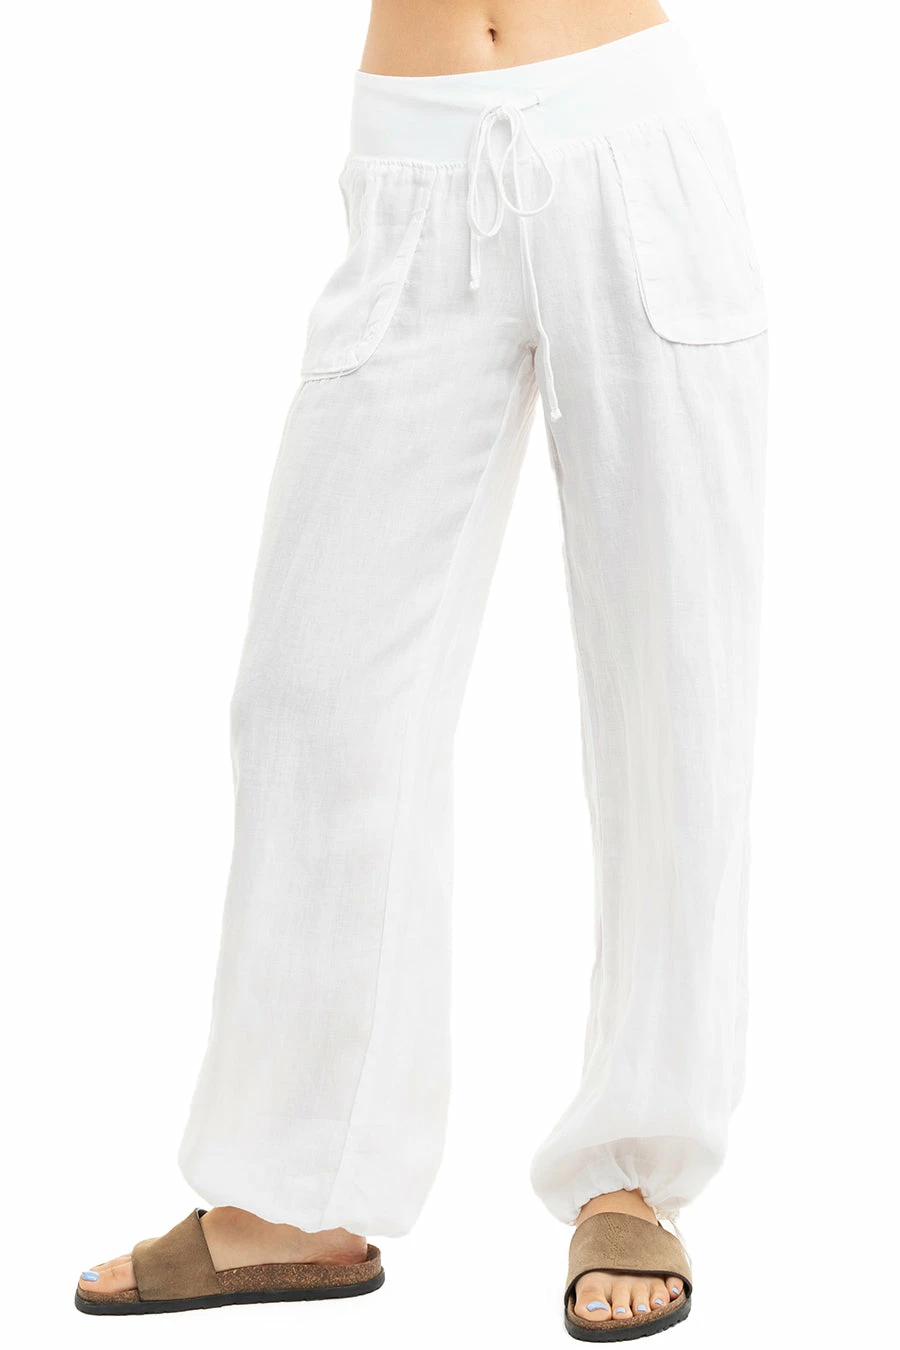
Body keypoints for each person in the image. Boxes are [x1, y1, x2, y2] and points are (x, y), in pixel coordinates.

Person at [75, 1, 767, 1338]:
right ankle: (300, 1183)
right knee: (309, 698)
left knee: (673, 687)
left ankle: (634, 1168)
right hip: (411, 169)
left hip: (633, 144)